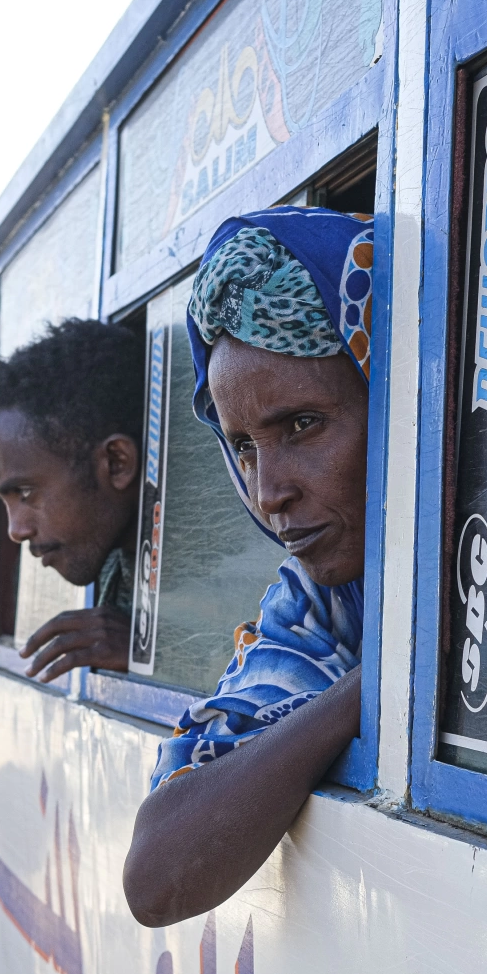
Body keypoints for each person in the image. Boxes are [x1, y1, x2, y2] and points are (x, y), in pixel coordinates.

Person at [123, 208, 375, 928]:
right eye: (242, 446)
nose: (269, 492)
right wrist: (377, 686)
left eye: (301, 426)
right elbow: (159, 878)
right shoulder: (324, 605)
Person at [0, 318, 144, 681]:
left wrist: (156, 657)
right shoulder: (122, 568)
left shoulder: (223, 570)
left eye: (24, 493)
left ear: (117, 463)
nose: (16, 531)